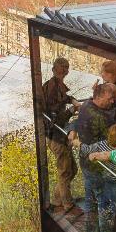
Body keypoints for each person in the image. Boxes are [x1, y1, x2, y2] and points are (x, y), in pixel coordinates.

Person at [72, 82, 116, 232]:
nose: (113, 102)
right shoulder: (102, 118)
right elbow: (112, 141)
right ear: (100, 97)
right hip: (99, 166)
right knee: (104, 204)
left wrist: (73, 135)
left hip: (86, 162)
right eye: (110, 98)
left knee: (90, 200)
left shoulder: (87, 104)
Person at [38, 57, 78, 214]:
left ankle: (57, 199)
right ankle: (67, 204)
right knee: (65, 171)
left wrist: (71, 99)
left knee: (72, 170)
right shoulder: (52, 87)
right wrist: (72, 110)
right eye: (63, 68)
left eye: (65, 68)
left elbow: (63, 99)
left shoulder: (54, 84)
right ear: (58, 70)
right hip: (56, 136)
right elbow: (55, 119)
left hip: (58, 135)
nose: (65, 71)